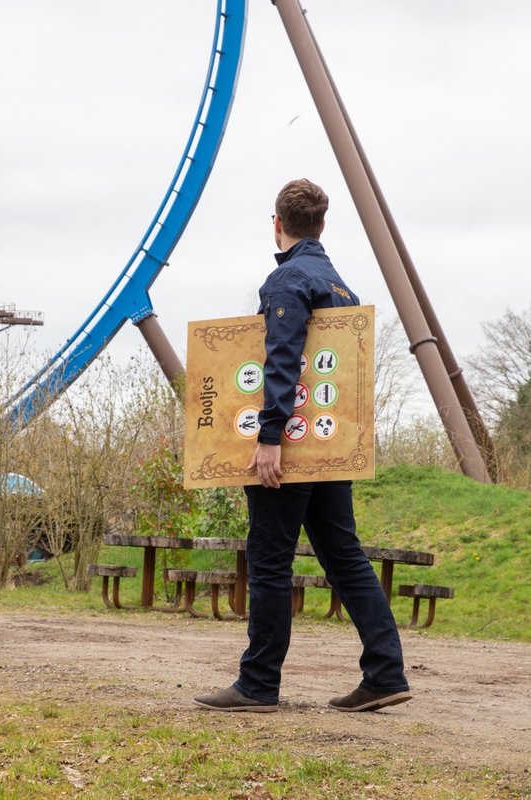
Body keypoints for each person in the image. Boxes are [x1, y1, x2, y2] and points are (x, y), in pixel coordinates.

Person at [194, 179, 412, 713]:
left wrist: (269, 438)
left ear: (277, 223)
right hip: (328, 447)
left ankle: (258, 683)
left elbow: (283, 360)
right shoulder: (340, 287)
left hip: (289, 449)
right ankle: (385, 673)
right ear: (322, 224)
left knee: (269, 559)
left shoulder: (287, 280)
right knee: (345, 557)